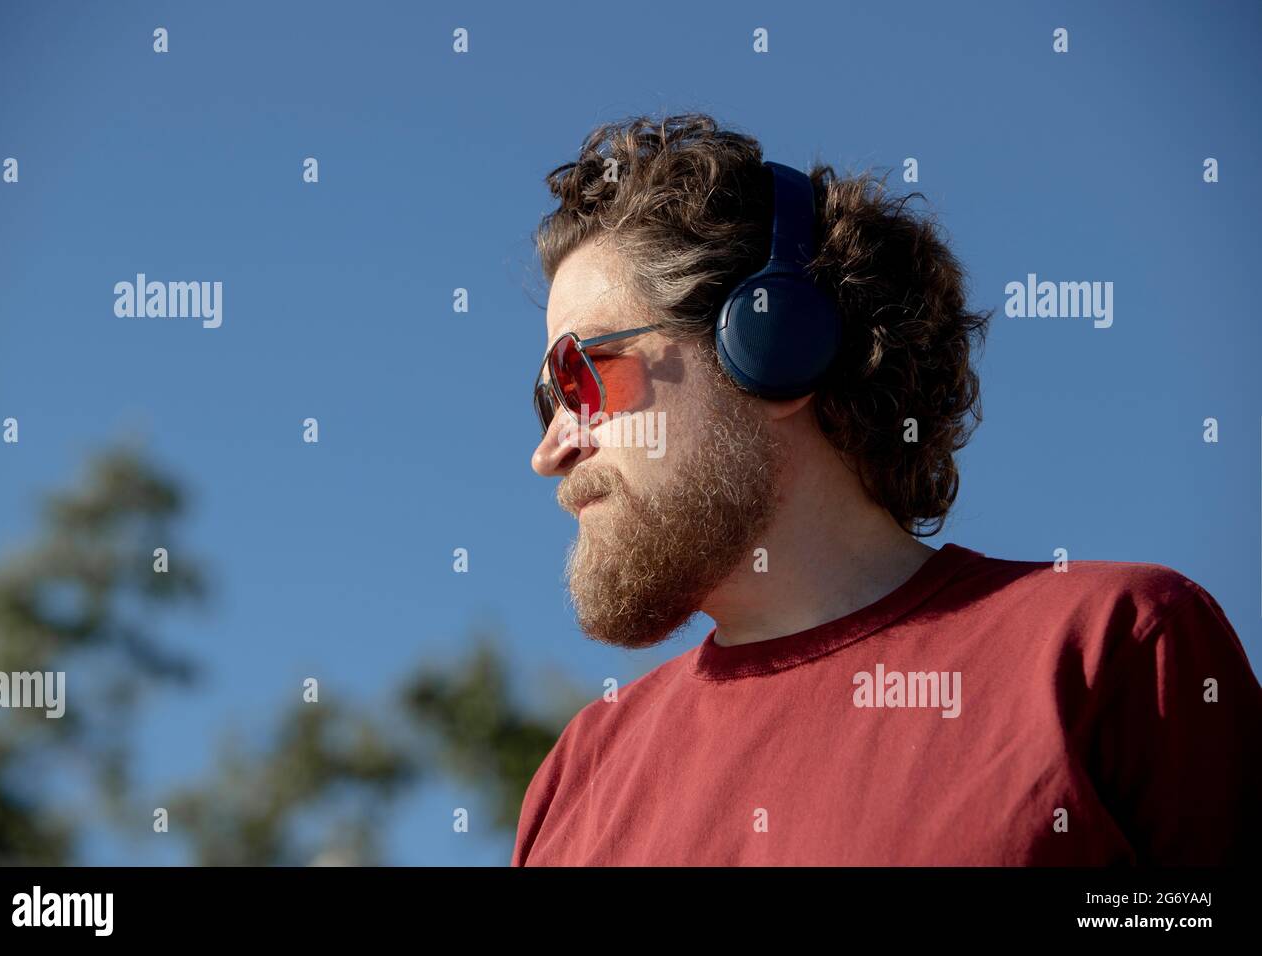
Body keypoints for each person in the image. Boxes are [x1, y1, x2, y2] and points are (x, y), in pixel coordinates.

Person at [514, 113, 1261, 865]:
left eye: (580, 375)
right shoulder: (577, 777)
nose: (551, 451)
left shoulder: (1115, 649)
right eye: (550, 398)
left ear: (773, 343)